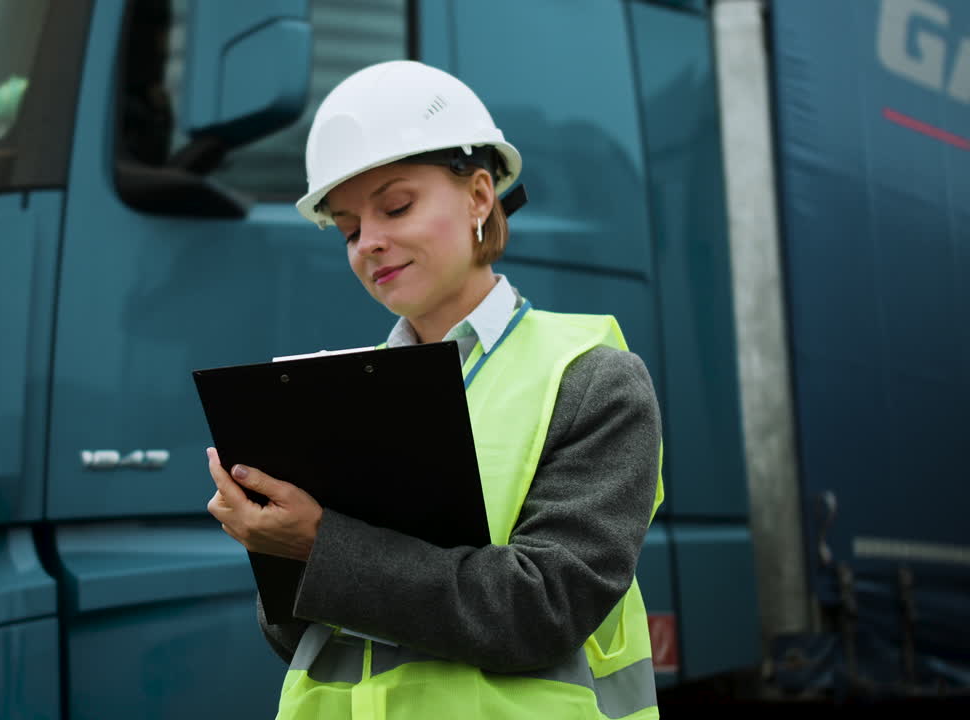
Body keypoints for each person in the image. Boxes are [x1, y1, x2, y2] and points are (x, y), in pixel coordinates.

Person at [206, 60, 663, 719]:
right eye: (349, 228)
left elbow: (543, 610)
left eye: (396, 207)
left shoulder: (590, 379)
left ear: (479, 196)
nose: (370, 243)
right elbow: (296, 641)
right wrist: (270, 545)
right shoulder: (334, 395)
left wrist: (319, 545)